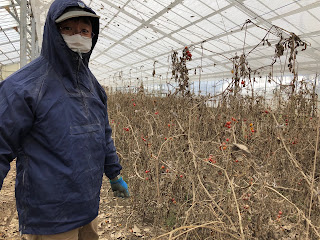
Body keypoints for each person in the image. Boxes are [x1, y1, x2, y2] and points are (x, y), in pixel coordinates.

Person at [0, 0, 129, 239]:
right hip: (51, 218)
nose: (77, 35)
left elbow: (103, 132)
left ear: (93, 34)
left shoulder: (92, 85)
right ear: (52, 31)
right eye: (67, 28)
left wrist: (114, 173)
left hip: (88, 207)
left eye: (84, 30)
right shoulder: (24, 86)